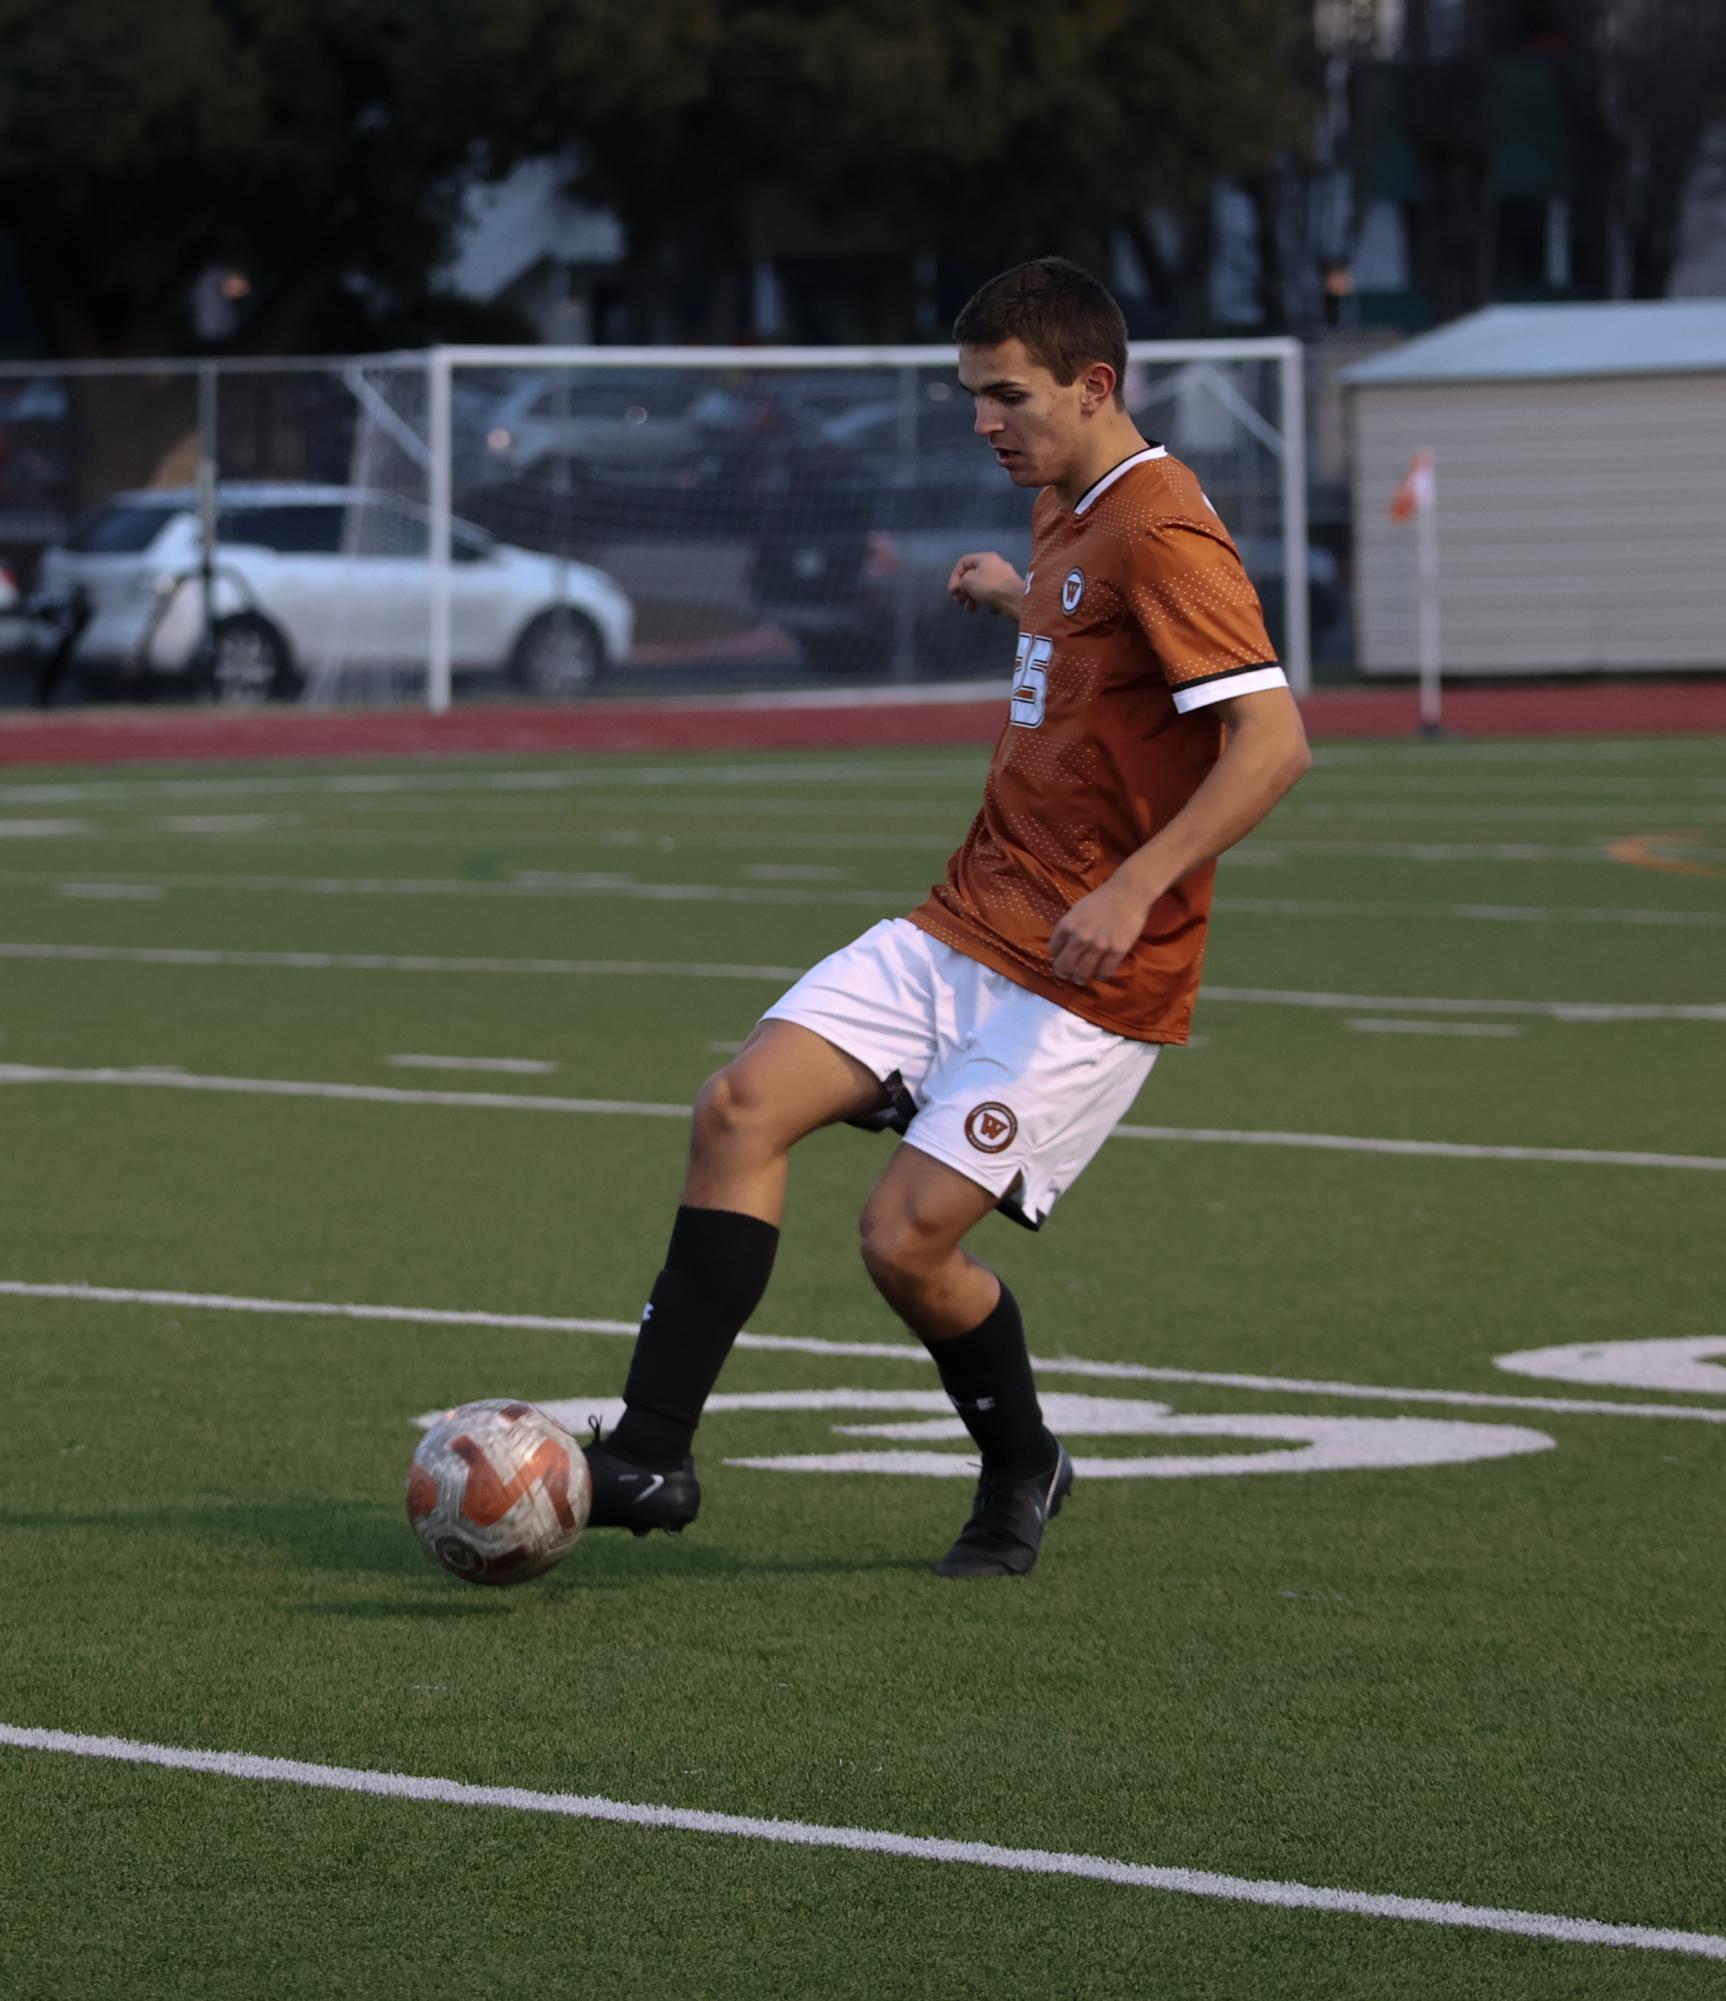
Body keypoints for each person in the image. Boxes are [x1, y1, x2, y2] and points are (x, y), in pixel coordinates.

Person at [582, 256, 1311, 1578]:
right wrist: (1012, 602)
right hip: (967, 917)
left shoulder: (1161, 530)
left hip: (1094, 973)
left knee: (902, 1240)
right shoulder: (1063, 501)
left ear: (1094, 387)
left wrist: (1135, 882)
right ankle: (649, 1452)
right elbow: (1096, 649)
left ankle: (1021, 1454)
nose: (983, 420)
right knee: (736, 1107)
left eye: (1005, 395)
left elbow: (1270, 743)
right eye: (972, 394)